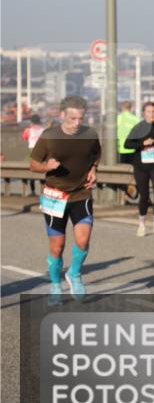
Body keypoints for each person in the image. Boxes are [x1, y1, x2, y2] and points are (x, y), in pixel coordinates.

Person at [29, 96, 101, 305]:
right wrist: (47, 167)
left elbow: (96, 153)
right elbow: (33, 165)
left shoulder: (90, 134)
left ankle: (74, 274)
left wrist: (94, 169)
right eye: (72, 119)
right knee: (57, 247)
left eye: (80, 118)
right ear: (62, 115)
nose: (77, 123)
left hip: (81, 194)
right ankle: (55, 285)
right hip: (55, 196)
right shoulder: (49, 136)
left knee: (83, 239)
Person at [125, 102, 154, 237]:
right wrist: (143, 143)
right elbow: (127, 144)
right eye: (148, 111)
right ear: (144, 113)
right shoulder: (138, 127)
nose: (151, 114)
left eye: (153, 111)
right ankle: (142, 225)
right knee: (144, 195)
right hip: (141, 166)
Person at [21, 114, 45, 195]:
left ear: (31, 122)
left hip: (32, 151)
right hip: (43, 152)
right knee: (42, 170)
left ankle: (32, 191)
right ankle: (43, 191)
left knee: (26, 168)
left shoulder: (28, 130)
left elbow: (24, 138)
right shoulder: (44, 130)